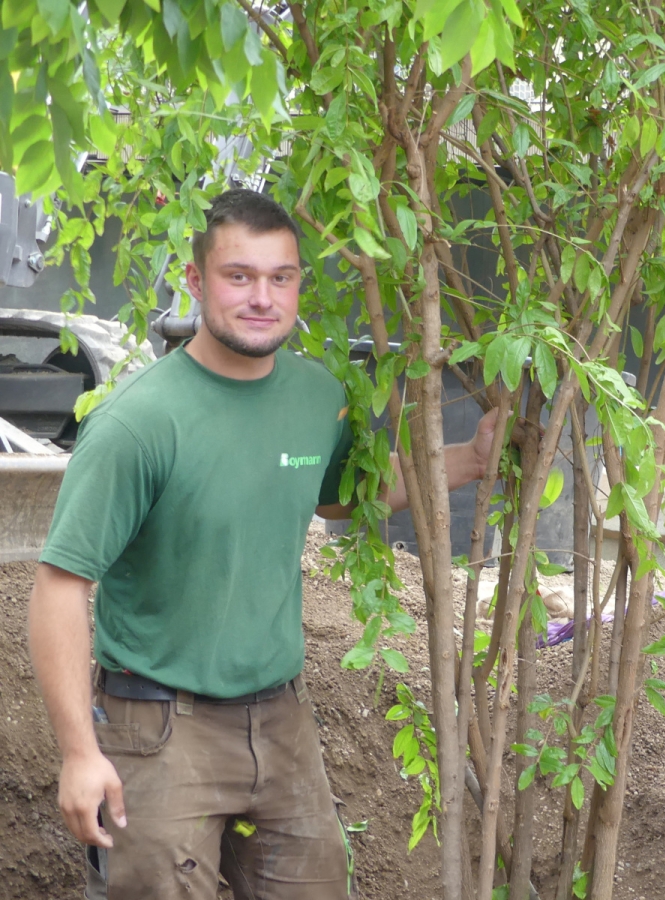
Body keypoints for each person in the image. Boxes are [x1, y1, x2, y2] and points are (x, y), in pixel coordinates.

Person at [27, 189, 497, 899]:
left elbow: (347, 492)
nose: (262, 297)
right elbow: (61, 587)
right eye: (238, 276)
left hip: (281, 722)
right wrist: (77, 752)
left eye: (281, 277)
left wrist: (471, 459)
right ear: (195, 282)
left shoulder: (317, 396)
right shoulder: (141, 423)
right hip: (157, 727)